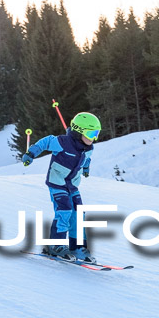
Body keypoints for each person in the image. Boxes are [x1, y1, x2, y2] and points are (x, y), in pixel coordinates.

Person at [21, 112, 101, 263]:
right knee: (64, 211)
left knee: (78, 214)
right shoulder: (62, 142)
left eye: (96, 134)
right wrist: (31, 153)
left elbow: (87, 158)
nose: (93, 138)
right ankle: (55, 246)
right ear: (78, 131)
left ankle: (77, 247)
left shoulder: (89, 148)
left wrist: (86, 168)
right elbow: (46, 142)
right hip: (57, 183)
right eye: (91, 133)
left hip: (72, 185)